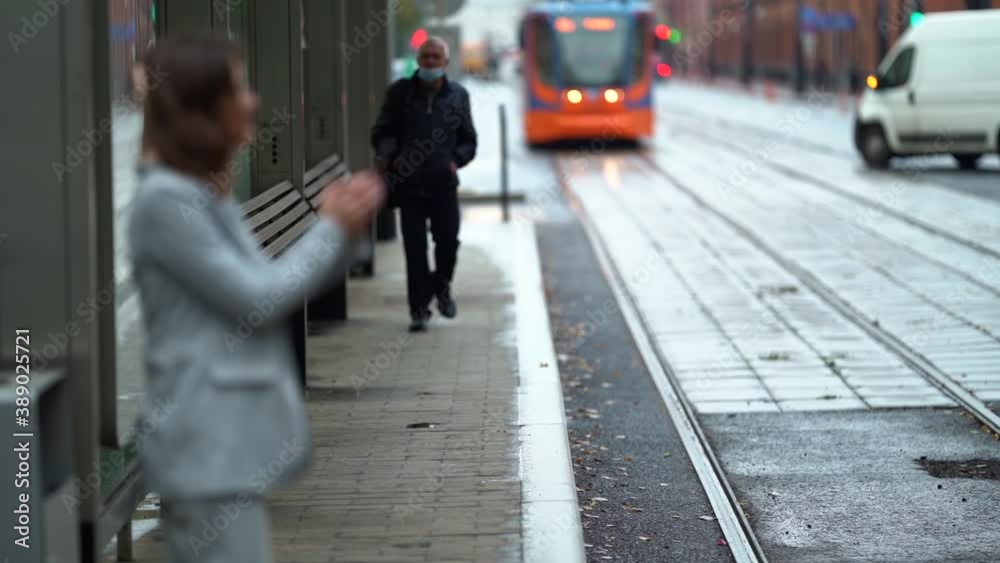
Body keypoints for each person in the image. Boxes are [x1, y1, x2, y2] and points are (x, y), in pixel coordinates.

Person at [127, 35, 384, 563]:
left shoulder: (195, 193)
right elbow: (258, 298)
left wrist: (339, 233)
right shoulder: (165, 202)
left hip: (220, 450)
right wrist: (331, 231)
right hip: (206, 447)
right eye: (238, 88)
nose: (252, 101)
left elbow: (266, 286)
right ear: (203, 106)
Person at [371, 36, 478, 332]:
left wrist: (456, 160)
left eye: (436, 57)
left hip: (443, 184)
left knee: (448, 244)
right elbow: (382, 131)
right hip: (409, 187)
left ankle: (441, 289)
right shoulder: (400, 94)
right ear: (418, 60)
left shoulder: (458, 96)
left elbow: (469, 140)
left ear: (445, 62)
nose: (430, 62)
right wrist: (387, 156)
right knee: (415, 250)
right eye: (425, 57)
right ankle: (419, 310)